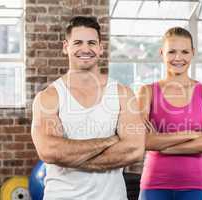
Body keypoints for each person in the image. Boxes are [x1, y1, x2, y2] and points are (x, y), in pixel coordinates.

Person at [31, 16, 145, 200]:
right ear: (65, 47)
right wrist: (110, 140)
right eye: (78, 42)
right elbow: (50, 151)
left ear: (100, 48)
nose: (85, 49)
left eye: (92, 42)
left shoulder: (123, 94)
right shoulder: (49, 97)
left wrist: (70, 156)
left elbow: (134, 150)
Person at [137, 27, 202, 200]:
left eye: (184, 51)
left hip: (195, 185)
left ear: (193, 53)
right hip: (154, 184)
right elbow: (142, 140)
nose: (178, 58)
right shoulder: (147, 92)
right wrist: (191, 135)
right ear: (162, 53)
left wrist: (163, 147)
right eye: (172, 52)